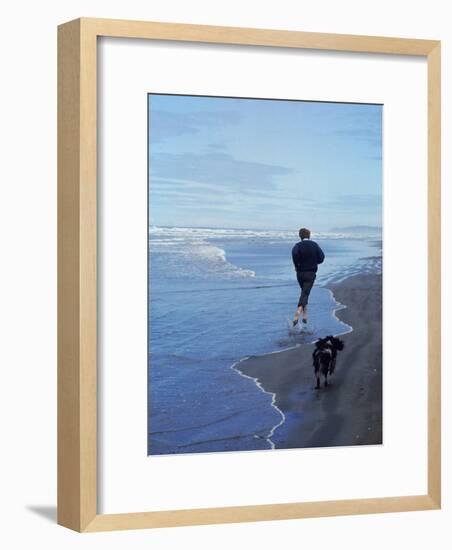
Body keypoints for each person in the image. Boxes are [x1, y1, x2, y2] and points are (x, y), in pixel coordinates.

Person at [291, 227, 325, 326]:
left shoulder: (297, 246)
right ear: (309, 236)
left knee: (304, 292)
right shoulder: (315, 245)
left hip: (300, 273)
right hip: (311, 273)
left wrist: (297, 265)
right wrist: (315, 262)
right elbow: (321, 258)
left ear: (300, 236)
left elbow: (294, 255)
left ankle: (305, 315)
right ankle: (298, 311)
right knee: (305, 293)